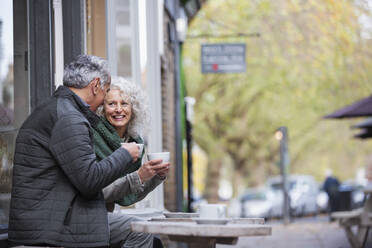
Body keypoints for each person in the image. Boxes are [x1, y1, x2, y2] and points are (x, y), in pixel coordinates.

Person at [8, 55, 149, 248]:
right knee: (140, 231)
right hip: (52, 228)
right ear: (95, 85)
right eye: (106, 92)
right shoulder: (69, 118)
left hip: (51, 220)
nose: (103, 103)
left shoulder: (57, 110)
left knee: (140, 229)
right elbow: (90, 180)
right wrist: (125, 154)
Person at [89, 77, 169, 247]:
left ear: (134, 108)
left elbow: (128, 196)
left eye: (124, 103)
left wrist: (155, 177)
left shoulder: (134, 141)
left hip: (106, 216)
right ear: (103, 109)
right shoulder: (93, 137)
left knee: (156, 243)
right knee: (141, 232)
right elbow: (95, 191)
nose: (118, 110)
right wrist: (138, 176)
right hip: (89, 215)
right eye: (112, 104)